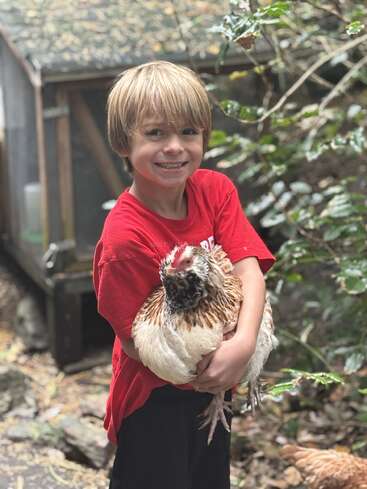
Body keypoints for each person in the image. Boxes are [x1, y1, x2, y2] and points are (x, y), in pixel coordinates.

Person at [93, 60, 275, 489]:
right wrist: (212, 364)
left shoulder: (215, 191)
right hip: (153, 398)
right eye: (155, 133)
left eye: (188, 132)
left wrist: (244, 345)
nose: (174, 147)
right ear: (124, 142)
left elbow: (249, 270)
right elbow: (136, 345)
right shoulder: (123, 241)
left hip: (216, 385)